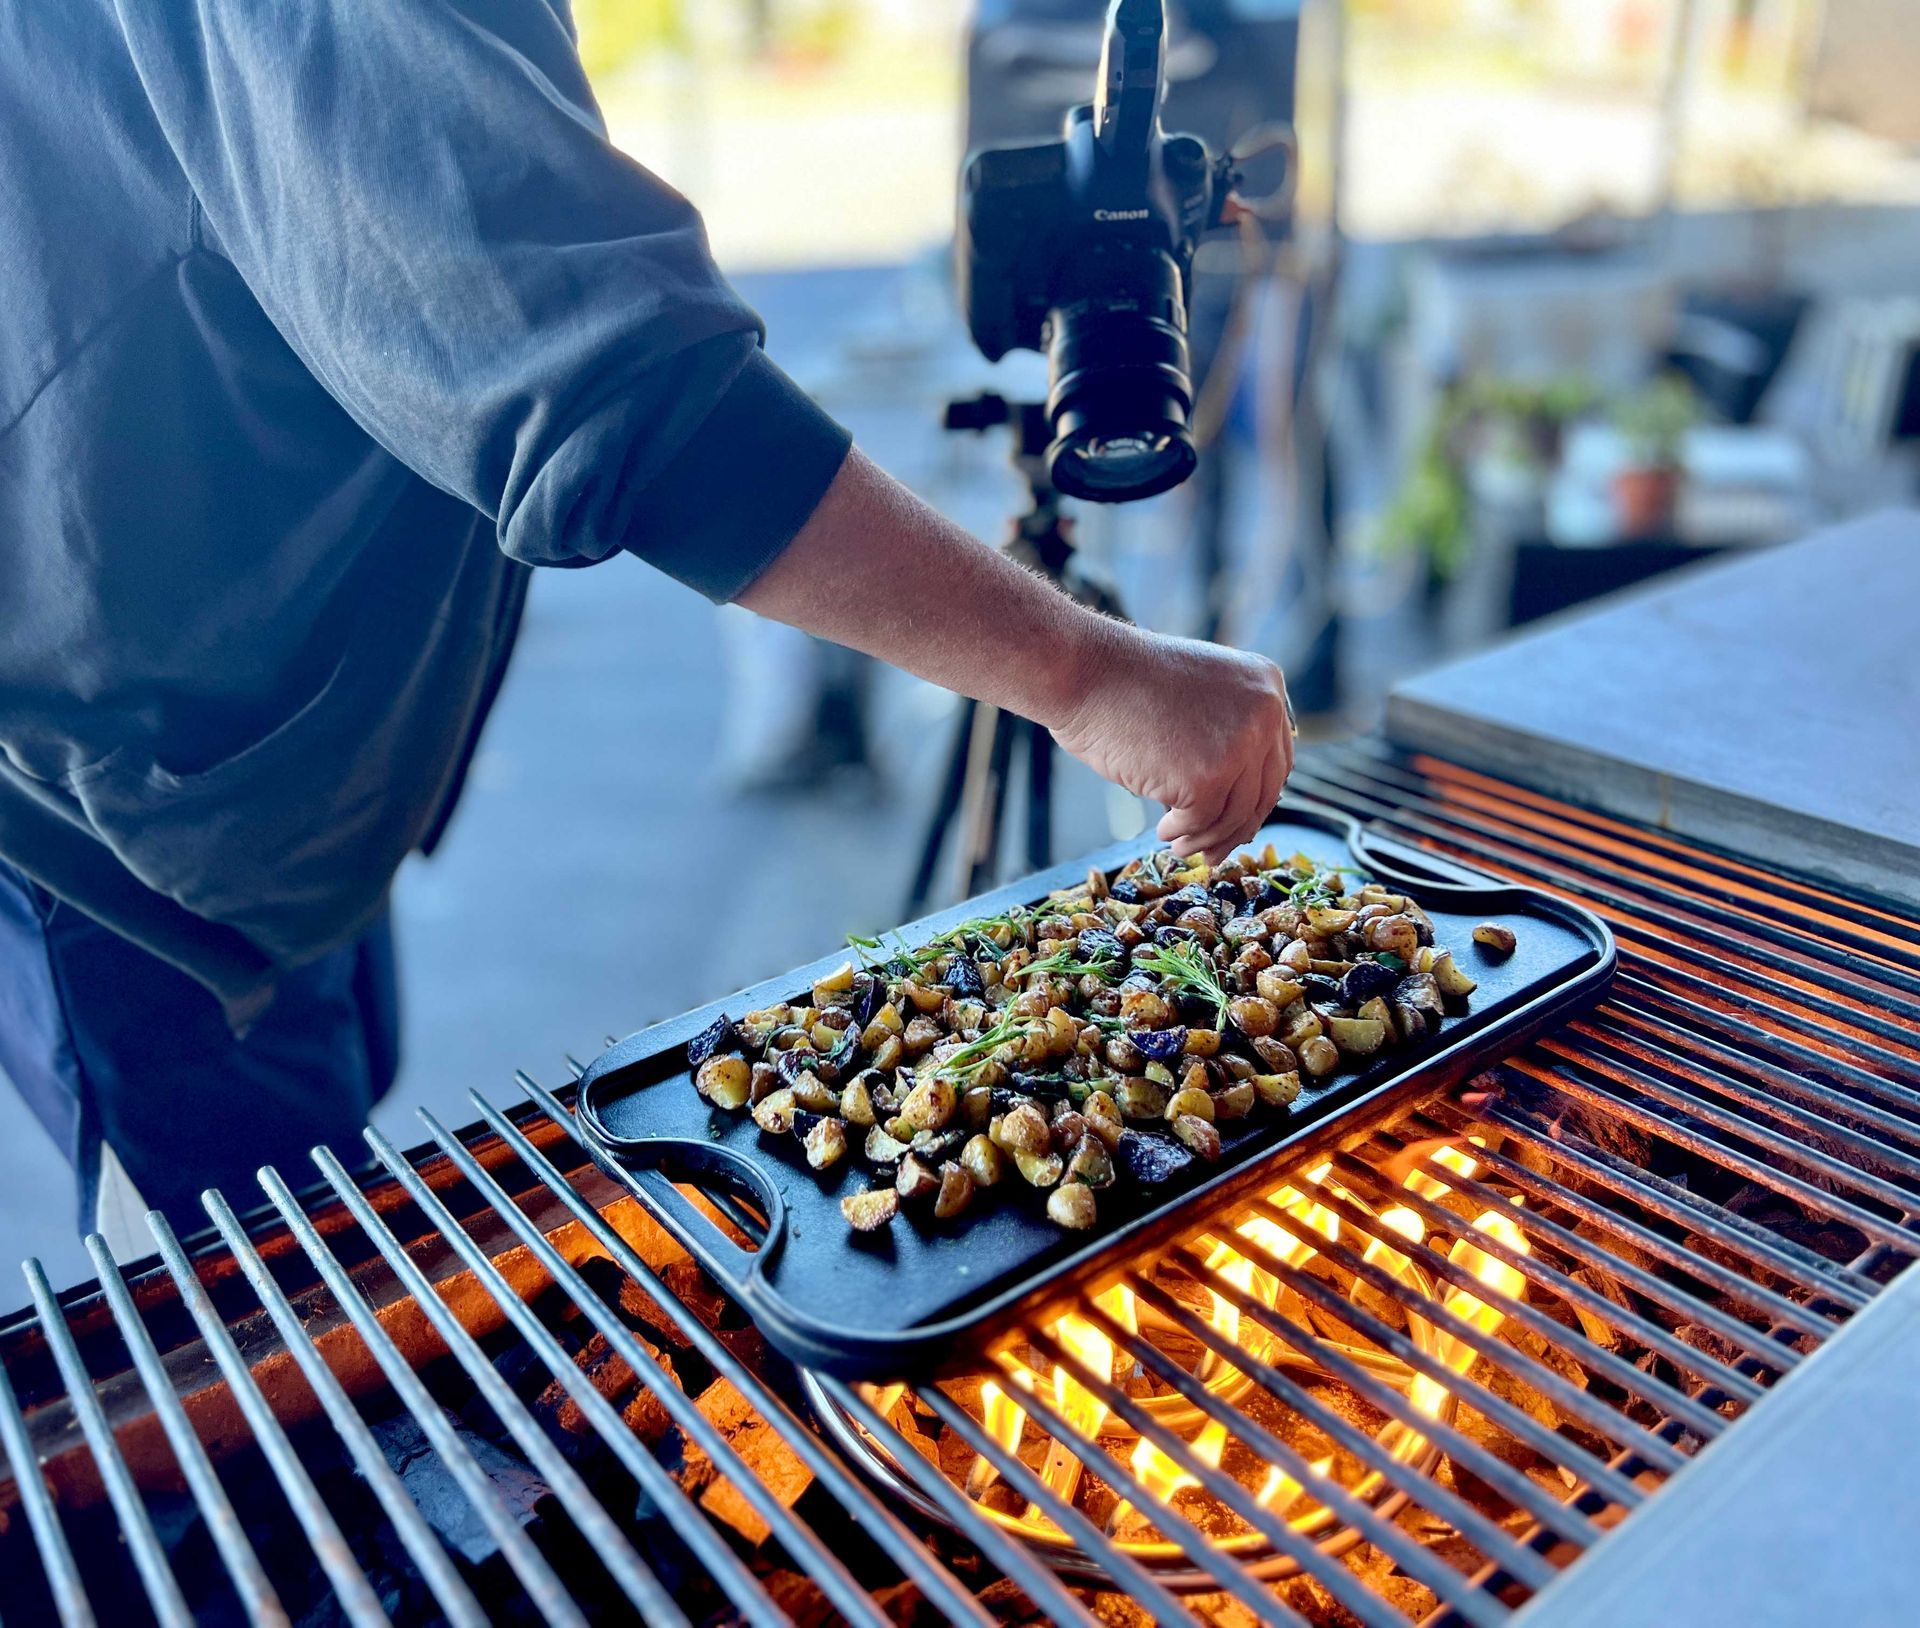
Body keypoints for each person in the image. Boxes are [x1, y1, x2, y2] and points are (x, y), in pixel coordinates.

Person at [0, 1, 1292, 1242]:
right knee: (252, 1341)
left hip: (274, 746)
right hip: (131, 824)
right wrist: (1084, 672)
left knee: (335, 1133)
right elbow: (610, 393)